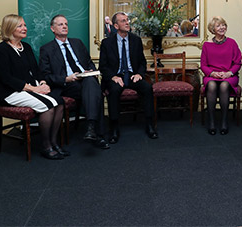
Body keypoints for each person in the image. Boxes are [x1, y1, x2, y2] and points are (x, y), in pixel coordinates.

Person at [0, 14, 68, 160]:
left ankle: (53, 142)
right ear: (10, 28)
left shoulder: (25, 47)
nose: (24, 28)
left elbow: (37, 71)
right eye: (20, 26)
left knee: (60, 102)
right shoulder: (0, 50)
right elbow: (6, 78)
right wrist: (34, 89)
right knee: (48, 106)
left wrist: (43, 83)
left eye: (24, 25)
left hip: (30, 88)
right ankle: (46, 146)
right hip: (11, 92)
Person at [39, 15, 109, 149]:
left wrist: (91, 72)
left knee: (91, 83)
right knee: (96, 92)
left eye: (66, 24)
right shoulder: (47, 49)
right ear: (52, 29)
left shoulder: (77, 43)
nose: (64, 26)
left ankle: (91, 129)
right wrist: (66, 78)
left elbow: (89, 63)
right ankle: (96, 133)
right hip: (66, 84)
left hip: (85, 80)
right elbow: (46, 75)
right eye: (60, 24)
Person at [99, 12, 158, 141]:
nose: (127, 23)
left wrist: (139, 74)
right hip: (116, 76)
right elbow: (103, 66)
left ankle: (150, 125)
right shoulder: (107, 43)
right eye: (123, 21)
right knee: (113, 91)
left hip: (132, 76)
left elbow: (142, 62)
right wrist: (113, 77)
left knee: (147, 88)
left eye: (127, 20)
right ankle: (114, 128)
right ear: (115, 25)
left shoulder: (136, 40)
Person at [200, 16, 242, 135]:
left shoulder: (232, 43)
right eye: (218, 26)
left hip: (229, 76)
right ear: (213, 29)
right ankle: (212, 122)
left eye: (223, 25)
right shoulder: (206, 45)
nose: (222, 27)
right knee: (212, 85)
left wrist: (229, 73)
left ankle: (224, 121)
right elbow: (203, 65)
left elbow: (238, 62)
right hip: (211, 75)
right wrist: (212, 73)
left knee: (224, 86)